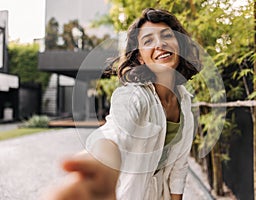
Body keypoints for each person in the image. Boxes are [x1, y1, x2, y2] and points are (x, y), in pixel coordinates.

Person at [44, 7, 200, 200]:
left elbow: (179, 167)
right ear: (140, 57)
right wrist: (101, 163)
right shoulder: (133, 95)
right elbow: (115, 135)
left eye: (167, 35)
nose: (160, 44)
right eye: (148, 40)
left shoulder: (185, 101)